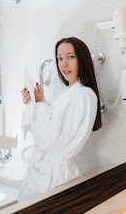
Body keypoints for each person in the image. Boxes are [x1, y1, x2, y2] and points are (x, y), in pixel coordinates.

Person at [18, 36, 102, 201]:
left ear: (82, 60)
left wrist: (38, 106)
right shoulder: (71, 92)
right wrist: (38, 103)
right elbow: (57, 124)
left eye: (70, 57)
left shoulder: (83, 95)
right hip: (47, 170)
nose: (63, 64)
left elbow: (51, 137)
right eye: (59, 58)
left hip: (54, 176)